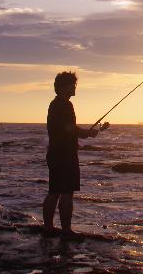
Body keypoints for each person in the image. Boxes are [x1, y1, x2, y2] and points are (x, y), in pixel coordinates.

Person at [41, 71, 108, 238]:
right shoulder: (63, 105)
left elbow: (68, 129)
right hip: (65, 155)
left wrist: (89, 132)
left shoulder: (56, 104)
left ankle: (48, 228)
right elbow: (69, 128)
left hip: (56, 153)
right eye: (72, 84)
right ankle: (66, 231)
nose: (75, 87)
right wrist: (87, 133)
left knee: (55, 191)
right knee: (66, 192)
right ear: (63, 87)